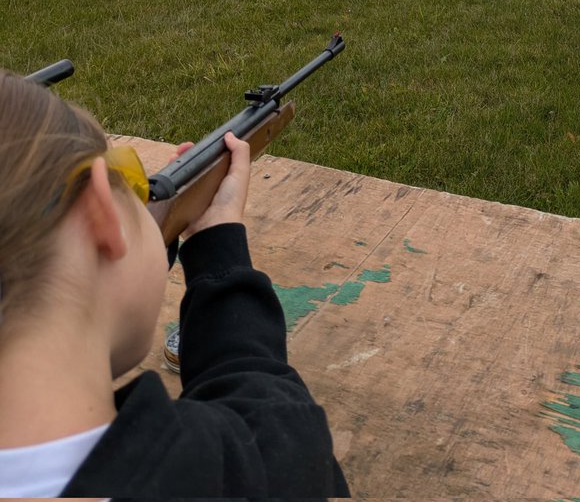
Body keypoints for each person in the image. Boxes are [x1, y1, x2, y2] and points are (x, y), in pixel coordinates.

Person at [0, 70, 349, 498]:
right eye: (130, 182)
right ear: (100, 214)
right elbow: (270, 416)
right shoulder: (243, 472)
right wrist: (219, 248)